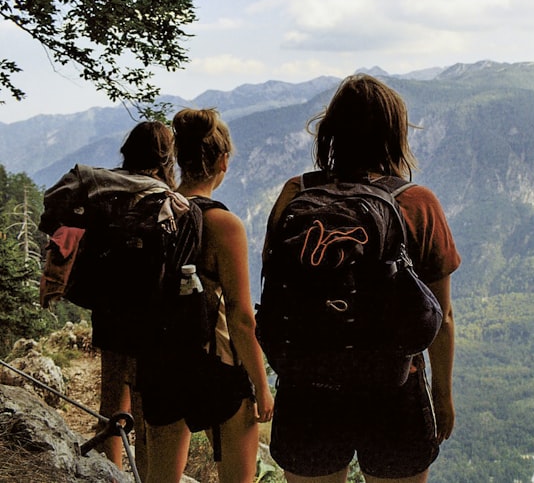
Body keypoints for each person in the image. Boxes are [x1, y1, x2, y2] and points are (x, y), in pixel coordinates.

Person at [266, 74, 460, 483]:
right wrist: (442, 396)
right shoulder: (417, 203)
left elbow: (276, 284)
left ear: (331, 132)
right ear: (394, 135)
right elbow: (440, 317)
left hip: (306, 387)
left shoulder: (294, 194)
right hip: (394, 389)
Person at [139, 108, 274, 483]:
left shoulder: (154, 211)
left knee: (160, 478)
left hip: (161, 362)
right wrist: (262, 388)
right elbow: (241, 318)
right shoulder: (223, 224)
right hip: (216, 366)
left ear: (179, 159)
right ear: (223, 161)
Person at [98, 121, 177, 472]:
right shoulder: (166, 198)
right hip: (151, 316)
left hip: (109, 308)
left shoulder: (107, 190)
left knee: (112, 398)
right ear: (166, 156)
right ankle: (145, 475)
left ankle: (107, 474)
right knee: (147, 411)